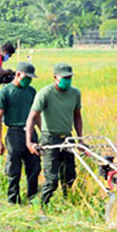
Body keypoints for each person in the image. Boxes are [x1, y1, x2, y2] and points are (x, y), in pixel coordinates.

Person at [26, 63, 83, 205]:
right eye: (64, 78)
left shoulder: (75, 93)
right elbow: (32, 117)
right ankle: (41, 206)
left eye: (69, 77)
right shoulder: (45, 93)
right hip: (49, 138)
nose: (67, 80)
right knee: (52, 180)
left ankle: (67, 204)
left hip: (68, 138)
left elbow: (77, 115)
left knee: (69, 176)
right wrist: (29, 142)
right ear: (55, 77)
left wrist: (80, 139)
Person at [0, 62, 41, 204]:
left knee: (34, 167)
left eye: (31, 78)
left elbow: (36, 115)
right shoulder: (5, 92)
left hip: (31, 132)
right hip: (14, 132)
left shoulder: (31, 91)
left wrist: (43, 132)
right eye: (27, 77)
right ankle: (13, 199)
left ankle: (32, 197)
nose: (29, 80)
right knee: (14, 168)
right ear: (18, 74)